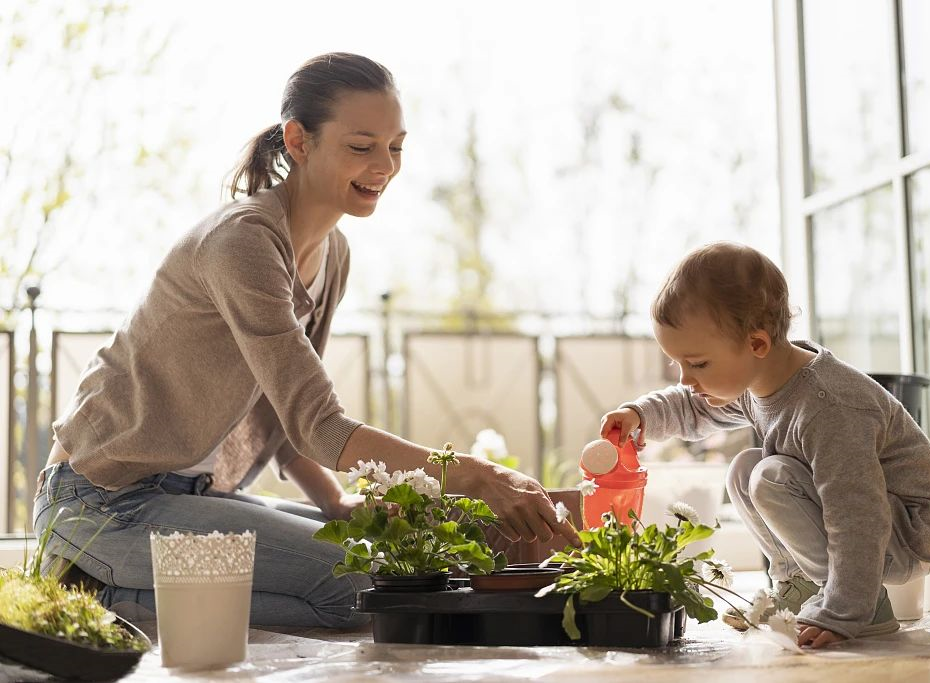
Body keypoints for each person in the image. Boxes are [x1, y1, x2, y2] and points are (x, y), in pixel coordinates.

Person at [34, 52, 569, 629]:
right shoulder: (242, 242)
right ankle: (92, 596)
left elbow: (285, 413)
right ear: (299, 140)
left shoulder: (332, 254)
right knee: (366, 586)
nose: (383, 166)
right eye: (362, 147)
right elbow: (322, 425)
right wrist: (478, 476)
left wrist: (335, 503)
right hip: (100, 502)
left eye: (396, 147)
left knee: (401, 574)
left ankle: (134, 589)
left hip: (188, 498)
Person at [600, 242, 930, 648]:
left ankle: (866, 605)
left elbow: (858, 512)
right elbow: (691, 407)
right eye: (678, 364)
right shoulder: (758, 377)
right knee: (744, 469)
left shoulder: (828, 408)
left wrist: (847, 611)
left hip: (910, 530)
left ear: (757, 344)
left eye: (698, 364)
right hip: (876, 520)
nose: (686, 378)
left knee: (770, 476)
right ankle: (800, 587)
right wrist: (641, 415)